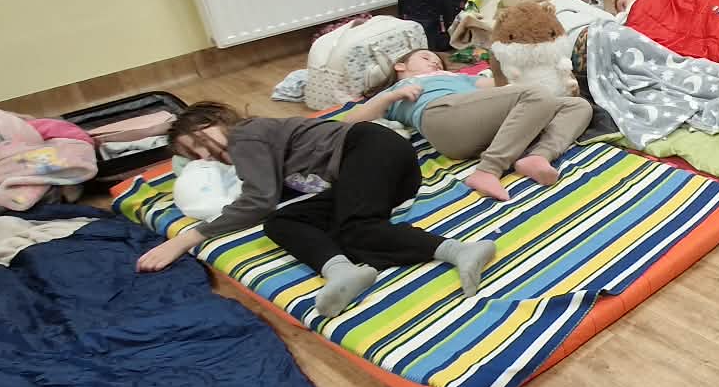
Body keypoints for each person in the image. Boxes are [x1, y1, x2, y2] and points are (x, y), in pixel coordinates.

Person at [135, 103, 497, 317]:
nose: (204, 155)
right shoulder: (255, 149)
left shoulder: (245, 135)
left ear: (218, 121)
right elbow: (271, 201)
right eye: (193, 154)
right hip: (375, 169)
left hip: (370, 148)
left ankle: (459, 250)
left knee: (357, 228)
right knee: (283, 222)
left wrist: (187, 238)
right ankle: (340, 271)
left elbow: (258, 200)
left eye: (201, 141)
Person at [347, 48, 592, 200]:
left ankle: (538, 157)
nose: (435, 62)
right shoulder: (399, 88)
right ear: (400, 66)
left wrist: (500, 61)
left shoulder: (460, 77)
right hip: (443, 117)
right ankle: (488, 170)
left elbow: (502, 88)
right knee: (536, 94)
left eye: (438, 61)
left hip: (481, 130)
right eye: (425, 57)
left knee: (578, 106)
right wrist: (392, 96)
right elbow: (350, 121)